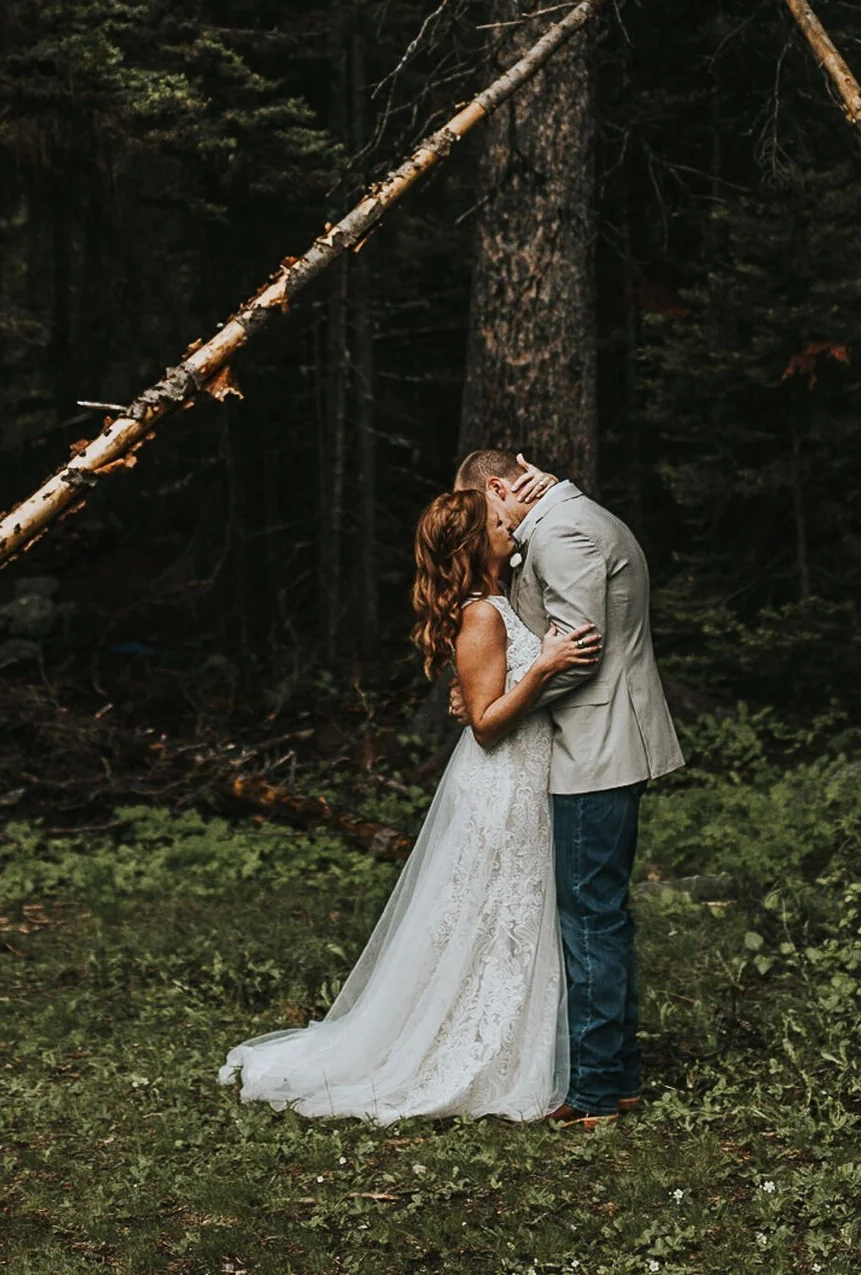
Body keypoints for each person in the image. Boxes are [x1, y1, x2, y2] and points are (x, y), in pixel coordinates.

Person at [219, 486, 601, 1122]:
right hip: (500, 779)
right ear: (476, 544)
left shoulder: (506, 602)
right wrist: (544, 668)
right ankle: (465, 1049)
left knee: (513, 914)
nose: (512, 527)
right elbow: (485, 723)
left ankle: (506, 1043)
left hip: (527, 775)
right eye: (500, 522)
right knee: (491, 912)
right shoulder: (481, 614)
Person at [454, 448, 685, 1123]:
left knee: (588, 918)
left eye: (481, 508)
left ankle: (593, 1092)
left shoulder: (563, 532)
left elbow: (578, 656)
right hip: (595, 742)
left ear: (498, 488)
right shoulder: (565, 520)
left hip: (596, 745)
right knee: (600, 915)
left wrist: (501, 703)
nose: (481, 524)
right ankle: (618, 1079)